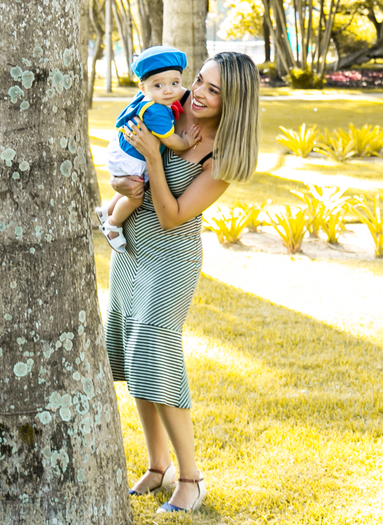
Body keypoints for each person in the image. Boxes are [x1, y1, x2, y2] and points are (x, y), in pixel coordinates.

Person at [105, 51, 261, 514]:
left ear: (233, 101)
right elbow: (125, 164)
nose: (199, 94)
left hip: (169, 260)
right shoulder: (169, 111)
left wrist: (155, 156)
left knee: (157, 357)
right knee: (133, 356)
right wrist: (123, 185)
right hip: (130, 250)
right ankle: (158, 467)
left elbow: (172, 216)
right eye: (200, 81)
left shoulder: (222, 157)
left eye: (215, 91)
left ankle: (190, 478)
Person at [96, 45, 200, 249]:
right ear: (143, 88)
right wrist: (187, 141)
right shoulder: (156, 112)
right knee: (136, 195)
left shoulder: (147, 100)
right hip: (131, 157)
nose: (168, 90)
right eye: (158, 86)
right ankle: (113, 224)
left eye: (175, 83)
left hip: (122, 148)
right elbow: (171, 141)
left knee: (135, 181)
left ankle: (107, 209)